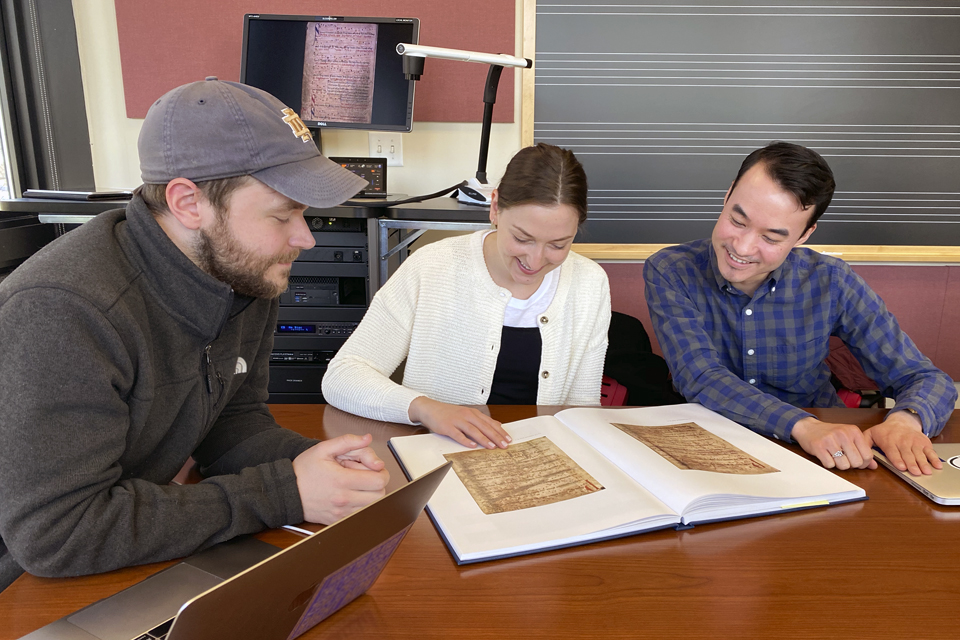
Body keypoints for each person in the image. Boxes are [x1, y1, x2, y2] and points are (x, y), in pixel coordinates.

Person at [0, 78, 389, 592]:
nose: (305, 238)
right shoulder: (65, 311)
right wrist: (286, 492)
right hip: (27, 582)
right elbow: (58, 534)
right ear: (188, 203)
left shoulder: (242, 276)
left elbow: (232, 420)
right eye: (282, 214)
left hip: (131, 537)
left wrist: (312, 464)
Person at [644, 141, 957, 476]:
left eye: (772, 238)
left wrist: (906, 422)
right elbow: (701, 377)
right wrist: (803, 426)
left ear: (804, 235)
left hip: (823, 453)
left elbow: (924, 377)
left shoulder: (831, 281)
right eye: (737, 220)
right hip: (711, 451)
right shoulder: (670, 270)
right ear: (727, 195)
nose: (743, 247)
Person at [322, 143, 611, 450]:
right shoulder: (431, 266)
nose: (536, 260)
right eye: (522, 238)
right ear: (495, 207)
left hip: (540, 461)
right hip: (439, 456)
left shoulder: (590, 283)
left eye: (558, 245)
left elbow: (582, 407)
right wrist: (426, 409)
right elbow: (342, 376)